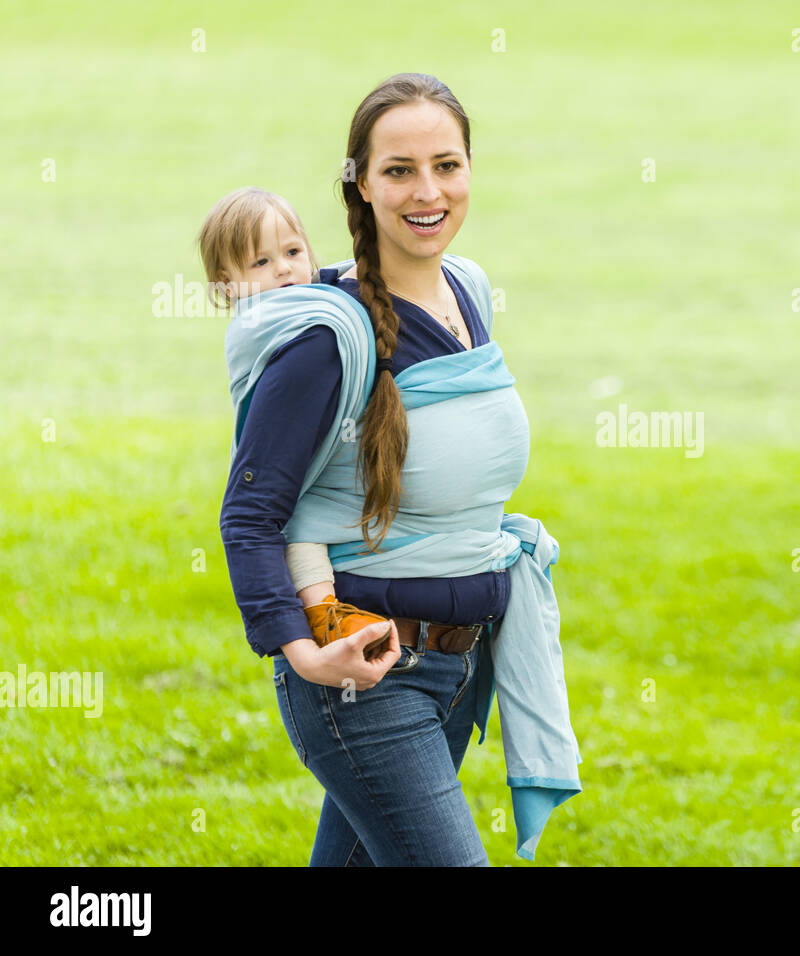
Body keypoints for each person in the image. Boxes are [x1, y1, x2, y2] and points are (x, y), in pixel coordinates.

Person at [218, 73, 581, 866]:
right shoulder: (327, 337)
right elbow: (249, 514)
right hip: (366, 678)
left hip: (457, 665)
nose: (428, 191)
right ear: (360, 183)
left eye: (447, 165)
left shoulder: (468, 290)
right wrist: (305, 651)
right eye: (399, 170)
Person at [198, 187, 396, 658]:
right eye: (260, 263)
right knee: (303, 532)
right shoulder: (291, 328)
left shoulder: (317, 304)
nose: (284, 269)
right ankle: (324, 613)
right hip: (298, 484)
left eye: (292, 251)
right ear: (228, 286)